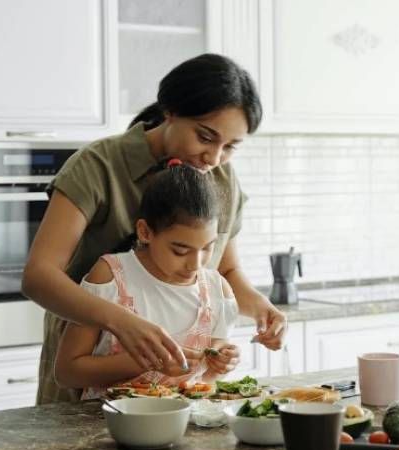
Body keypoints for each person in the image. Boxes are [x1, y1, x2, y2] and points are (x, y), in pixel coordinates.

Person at [22, 53, 287, 404]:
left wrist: (261, 308)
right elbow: (38, 276)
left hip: (178, 395)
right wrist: (122, 322)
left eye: (230, 147)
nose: (214, 157)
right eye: (205, 137)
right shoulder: (98, 166)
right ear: (170, 111)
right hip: (87, 382)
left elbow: (225, 270)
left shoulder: (221, 178)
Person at [55, 162, 240, 399]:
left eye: (207, 248)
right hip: (107, 425)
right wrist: (146, 362)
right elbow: (67, 372)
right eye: (180, 250)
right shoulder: (111, 276)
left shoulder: (217, 289)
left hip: (186, 425)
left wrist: (223, 362)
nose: (196, 264)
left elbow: (207, 379)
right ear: (145, 232)